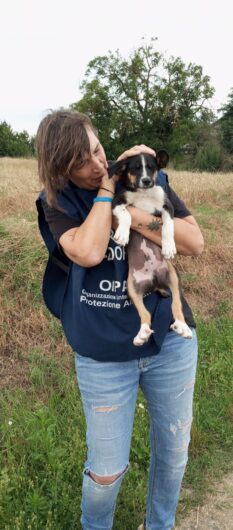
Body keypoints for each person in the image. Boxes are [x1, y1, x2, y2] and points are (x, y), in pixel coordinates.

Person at [36, 110, 204, 530]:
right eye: (82, 163)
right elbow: (90, 252)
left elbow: (193, 243)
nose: (96, 165)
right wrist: (110, 187)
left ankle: (160, 524)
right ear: (60, 170)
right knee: (105, 472)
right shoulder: (57, 203)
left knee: (174, 452)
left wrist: (138, 209)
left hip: (170, 341)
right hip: (102, 353)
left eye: (98, 150)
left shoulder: (145, 175)